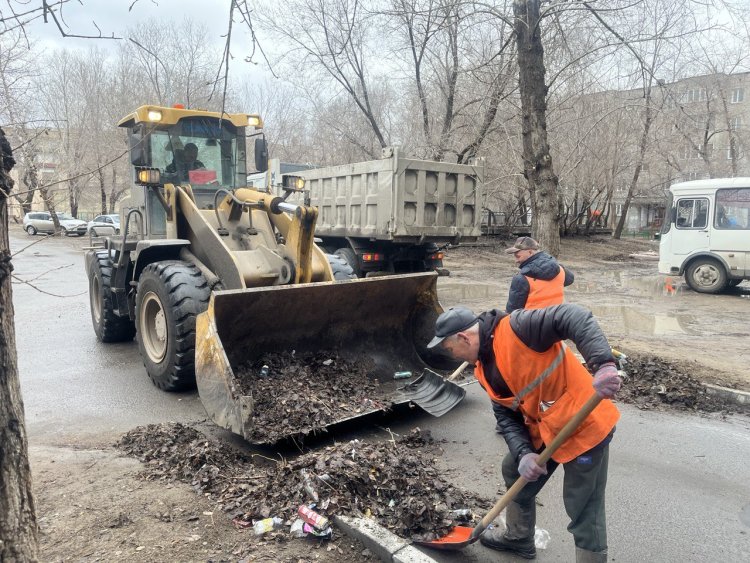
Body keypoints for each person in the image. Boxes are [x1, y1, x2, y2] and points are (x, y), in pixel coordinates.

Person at [428, 304, 622, 562]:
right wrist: (523, 455)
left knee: (583, 505)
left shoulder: (520, 328)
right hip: (546, 428)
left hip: (584, 424)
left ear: (463, 338)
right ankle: (519, 538)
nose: (454, 357)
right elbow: (506, 416)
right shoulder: (483, 369)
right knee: (513, 468)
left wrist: (604, 364)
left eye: (451, 350)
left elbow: (574, 316)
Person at [505, 237, 574, 312]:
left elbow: (512, 312)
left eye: (518, 256)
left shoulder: (521, 278)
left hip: (531, 322)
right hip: (556, 319)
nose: (516, 261)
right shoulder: (560, 269)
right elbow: (570, 280)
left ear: (530, 252)